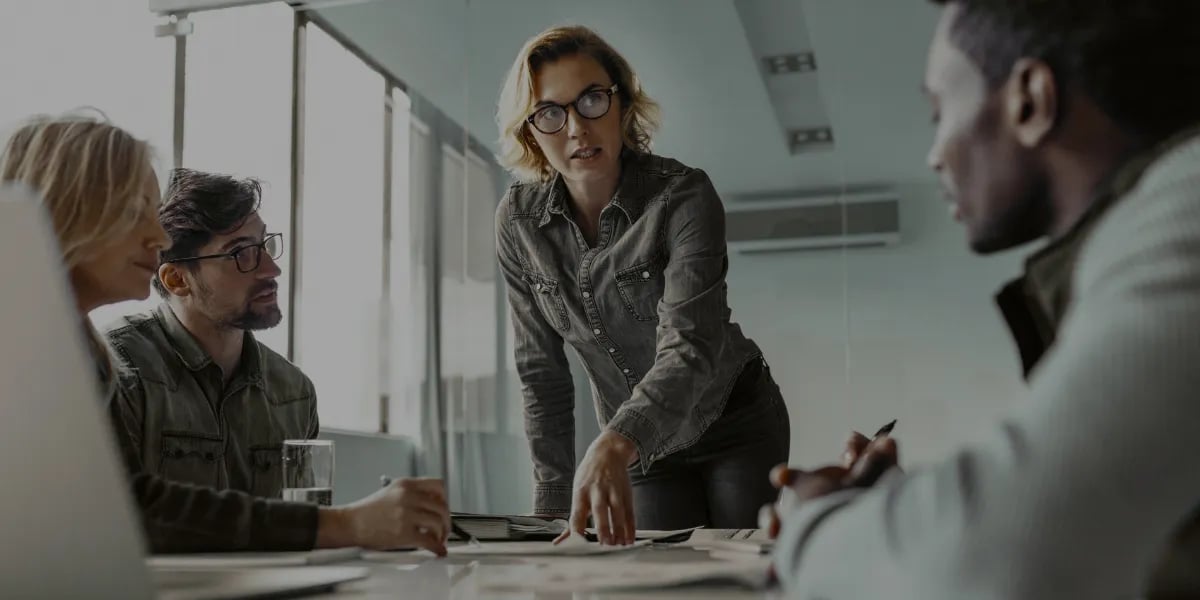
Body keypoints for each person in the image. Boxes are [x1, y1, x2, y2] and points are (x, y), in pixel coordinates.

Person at [768, 1, 1200, 597]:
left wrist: (811, 524)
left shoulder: (1186, 210)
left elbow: (996, 559)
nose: (933, 153)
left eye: (939, 110)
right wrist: (907, 512)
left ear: (1030, 98)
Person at [0, 112, 453, 555]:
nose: (157, 236)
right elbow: (123, 512)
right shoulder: (83, 360)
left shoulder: (79, 352)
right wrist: (348, 524)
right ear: (69, 210)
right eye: (135, 210)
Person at [494, 25, 790, 544]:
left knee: (742, 578)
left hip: (734, 420)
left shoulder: (683, 196)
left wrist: (615, 440)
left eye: (591, 99)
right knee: (659, 579)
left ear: (622, 105)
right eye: (549, 113)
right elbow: (540, 374)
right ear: (530, 132)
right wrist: (552, 505)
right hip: (640, 448)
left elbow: (690, 346)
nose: (576, 129)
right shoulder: (518, 224)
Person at [104, 168, 316, 501]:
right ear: (177, 279)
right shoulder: (119, 369)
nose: (271, 269)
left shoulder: (294, 392)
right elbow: (118, 523)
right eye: (241, 253)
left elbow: (305, 523)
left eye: (265, 244)